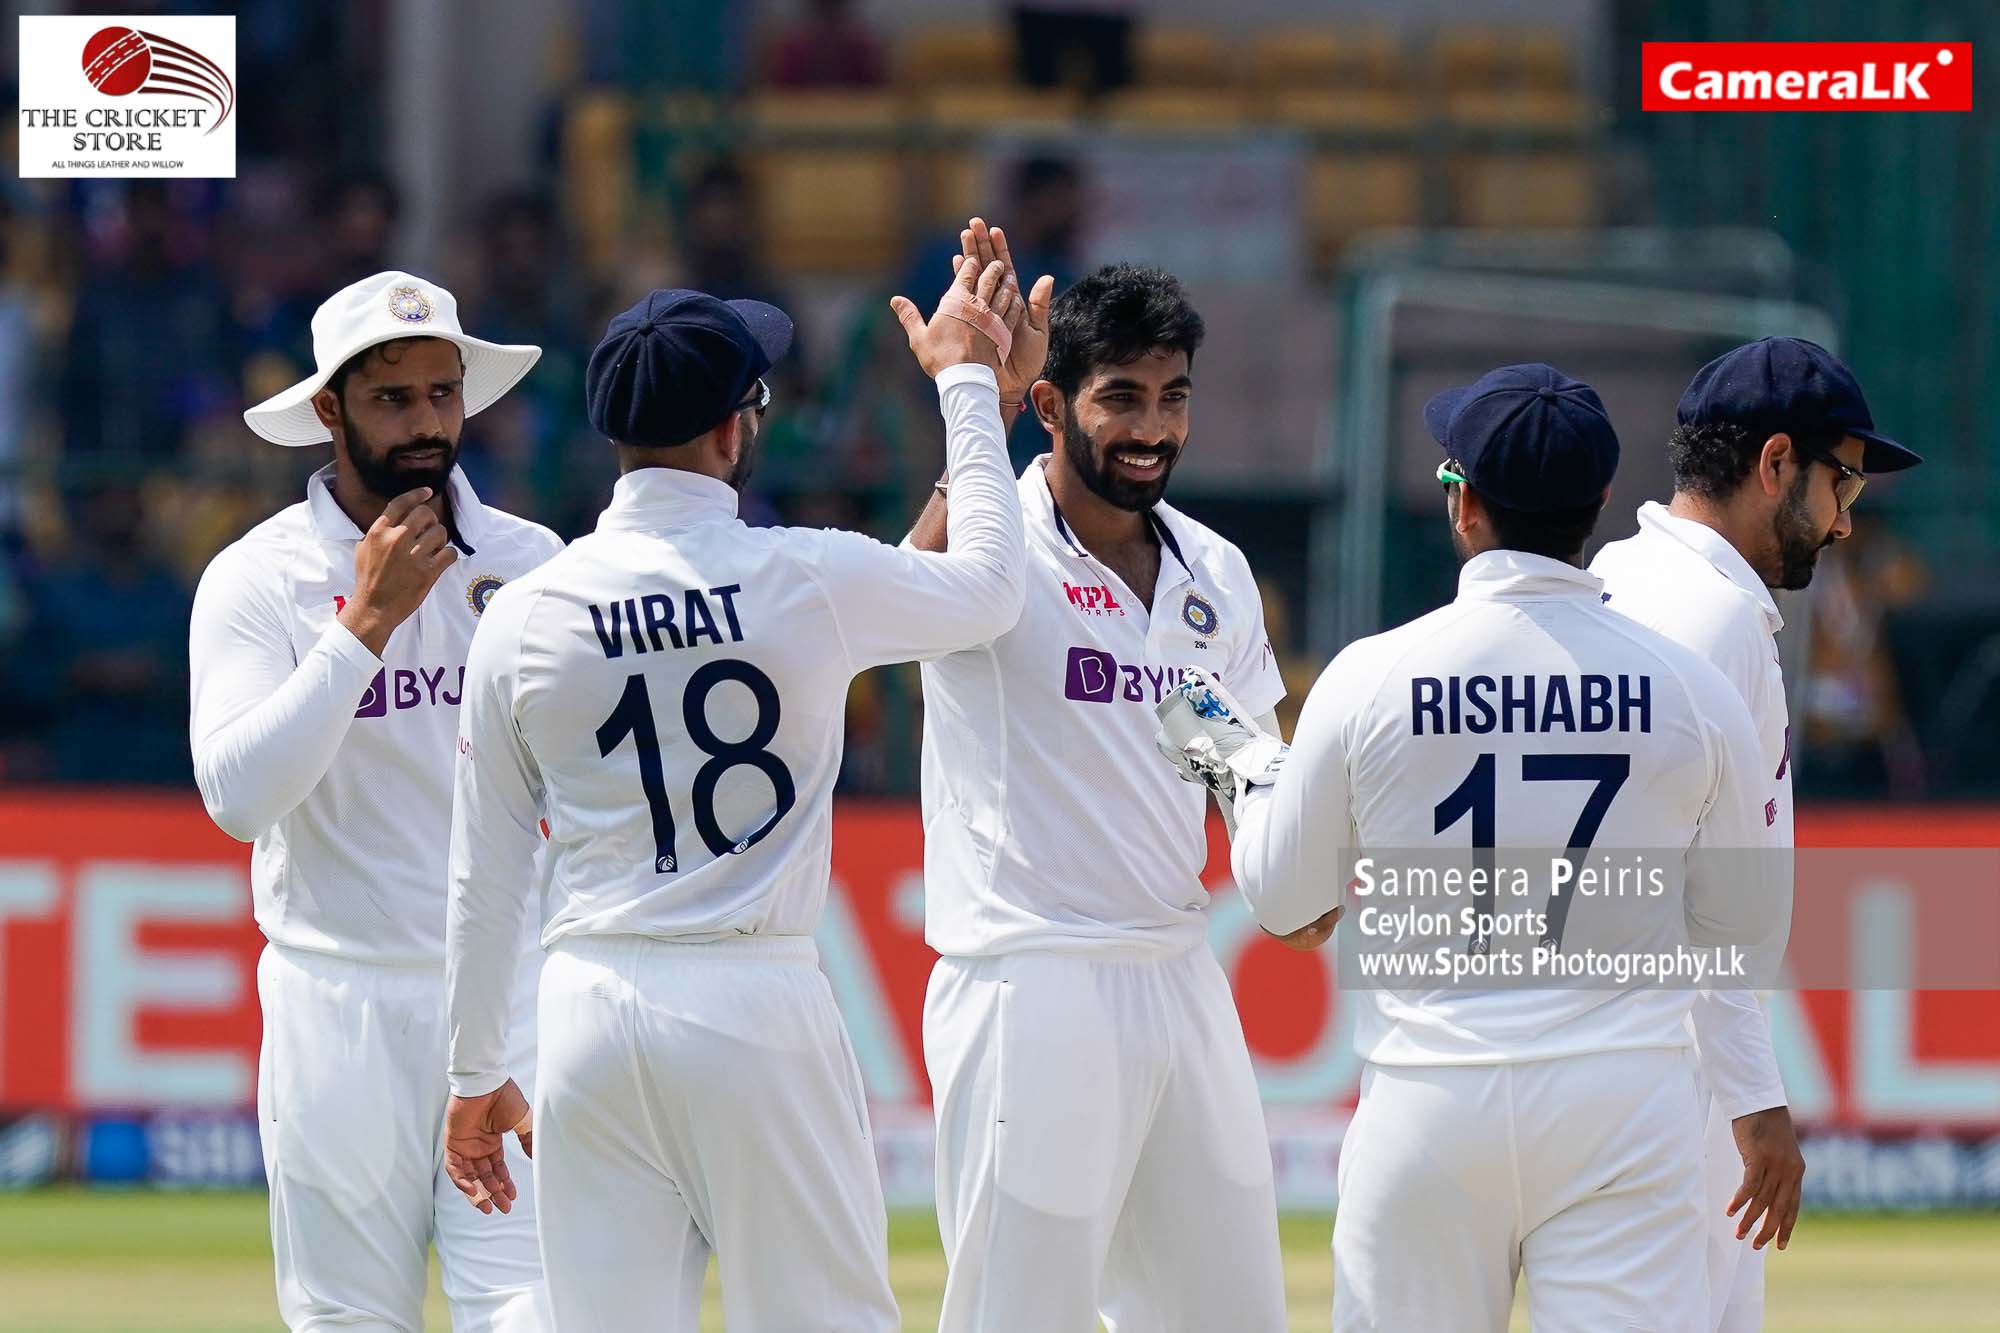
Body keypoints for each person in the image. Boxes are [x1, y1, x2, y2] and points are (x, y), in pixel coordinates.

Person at [439, 228, 1036, 1331]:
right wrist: (963, 382)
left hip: (587, 1008)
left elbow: (482, 872)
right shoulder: (799, 574)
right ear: (732, 427)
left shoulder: (525, 613)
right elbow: (987, 589)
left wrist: (475, 1070)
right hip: (754, 995)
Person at [1206, 363, 1790, 1333]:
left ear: (1461, 502)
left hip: (1430, 1096)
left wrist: (1236, 764)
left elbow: (1278, 901)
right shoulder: (1689, 688)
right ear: (1599, 502)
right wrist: (1755, 1100)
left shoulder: (1369, 676)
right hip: (1622, 1103)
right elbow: (1739, 928)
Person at [905, 248, 1293, 1331]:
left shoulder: (1209, 572)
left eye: (1171, 399)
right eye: (1119, 398)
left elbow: (1220, 749)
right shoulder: (997, 547)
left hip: (1177, 973)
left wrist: (1283, 852)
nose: (1151, 429)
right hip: (1029, 976)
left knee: (1228, 1315)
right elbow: (898, 607)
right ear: (1048, 404)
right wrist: (964, 405)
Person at [189, 270, 557, 1331]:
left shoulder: (534, 565)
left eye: (443, 394)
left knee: (535, 1309)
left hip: (509, 999)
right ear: (328, 410)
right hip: (333, 998)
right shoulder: (257, 579)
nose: (428, 424)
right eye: (393, 400)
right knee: (348, 1318)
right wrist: (363, 627)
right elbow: (239, 797)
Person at [1591, 336, 1922, 1331]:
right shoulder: (1722, 622)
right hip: (1668, 1059)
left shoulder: (1609, 570)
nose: (1844, 524)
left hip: (1574, 1039)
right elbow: (1725, 901)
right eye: (1840, 485)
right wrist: (1756, 1101)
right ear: (1773, 463)